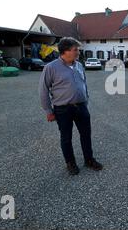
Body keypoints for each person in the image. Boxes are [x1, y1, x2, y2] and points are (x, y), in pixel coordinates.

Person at [39, 37, 103, 175]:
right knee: (66, 137)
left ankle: (89, 159)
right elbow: (43, 90)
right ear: (65, 51)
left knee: (86, 135)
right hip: (63, 109)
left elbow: (83, 84)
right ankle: (70, 163)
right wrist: (48, 111)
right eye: (75, 50)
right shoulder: (51, 68)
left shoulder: (79, 65)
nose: (78, 52)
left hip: (81, 107)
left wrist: (86, 99)